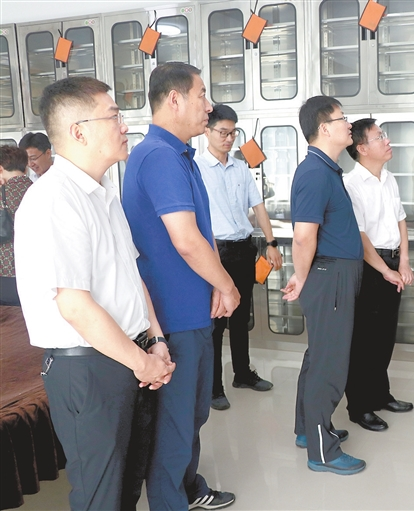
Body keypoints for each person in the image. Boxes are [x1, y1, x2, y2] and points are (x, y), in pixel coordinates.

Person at [13, 76, 175, 510]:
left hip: (129, 355)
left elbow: (132, 278)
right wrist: (142, 361)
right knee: (100, 495)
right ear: (79, 131)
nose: (125, 126)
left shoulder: (103, 195)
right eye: (114, 116)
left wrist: (156, 340)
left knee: (127, 485)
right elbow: (75, 306)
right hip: (88, 368)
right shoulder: (53, 200)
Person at [122, 62, 239, 510]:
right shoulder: (158, 156)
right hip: (172, 316)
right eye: (201, 95)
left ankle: (188, 488)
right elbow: (186, 240)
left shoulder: (178, 155)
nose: (208, 106)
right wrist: (227, 286)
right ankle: (171, 501)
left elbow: (200, 235)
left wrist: (215, 285)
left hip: (191, 310)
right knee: (175, 422)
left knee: (192, 413)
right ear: (174, 99)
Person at [282, 95, 366, 475]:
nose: (349, 124)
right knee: (328, 365)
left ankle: (308, 429)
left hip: (333, 274)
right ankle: (322, 451)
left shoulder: (327, 169)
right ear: (324, 128)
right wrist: (301, 277)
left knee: (319, 356)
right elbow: (304, 237)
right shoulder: (315, 173)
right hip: (329, 277)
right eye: (342, 118)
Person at [196, 104, 283, 411]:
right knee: (217, 321)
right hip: (216, 253)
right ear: (206, 132)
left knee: (241, 317)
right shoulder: (196, 168)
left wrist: (271, 242)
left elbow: (258, 207)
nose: (229, 138)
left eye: (233, 133)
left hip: (244, 248)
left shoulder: (241, 168)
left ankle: (242, 374)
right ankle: (213, 387)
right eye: (223, 132)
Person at [343, 118, 414, 432]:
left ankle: (380, 394)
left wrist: (404, 262)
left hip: (392, 263)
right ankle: (359, 407)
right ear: (361, 148)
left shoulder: (389, 178)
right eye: (379, 136)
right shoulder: (351, 184)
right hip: (369, 268)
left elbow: (401, 220)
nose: (387, 141)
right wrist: (385, 270)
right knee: (363, 341)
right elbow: (359, 236)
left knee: (385, 336)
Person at [0, 146, 33, 306]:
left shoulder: (2, 194)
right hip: (36, 272)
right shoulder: (39, 189)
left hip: (6, 272)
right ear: (25, 167)